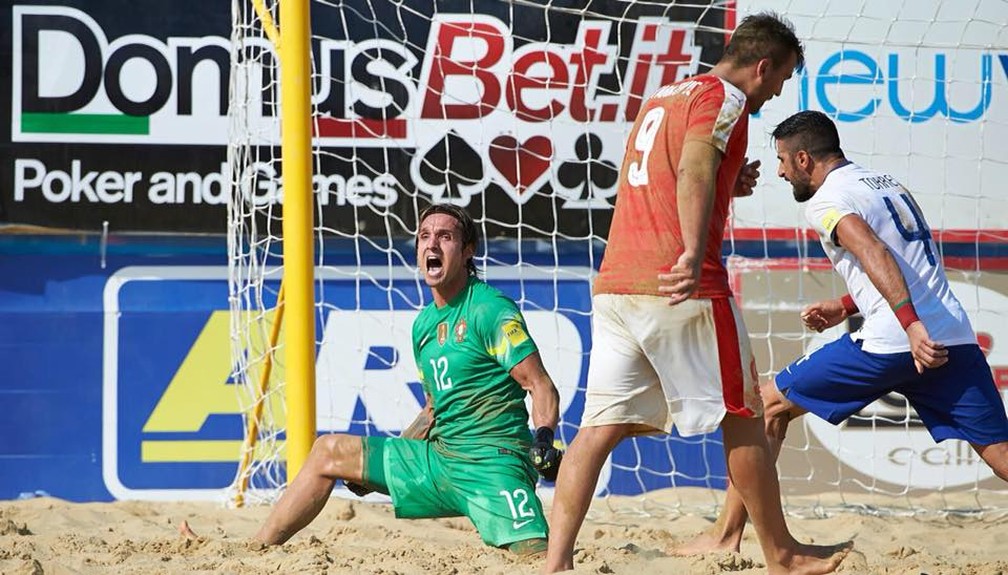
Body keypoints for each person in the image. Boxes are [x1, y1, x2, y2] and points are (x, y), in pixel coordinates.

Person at [544, 12, 850, 575]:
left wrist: (728, 179)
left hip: (615, 285)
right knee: (745, 413)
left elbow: (661, 171)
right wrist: (689, 249)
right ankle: (782, 555)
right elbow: (689, 170)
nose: (776, 92)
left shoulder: (663, 96)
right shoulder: (725, 98)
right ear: (762, 65)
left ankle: (556, 563)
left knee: (596, 430)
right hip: (682, 282)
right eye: (779, 79)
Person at [672, 110, 1008, 556]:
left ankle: (725, 536)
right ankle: (727, 534)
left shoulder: (828, 199)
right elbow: (910, 264)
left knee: (764, 407)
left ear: (805, 159)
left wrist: (908, 326)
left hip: (897, 339)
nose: (779, 170)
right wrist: (846, 304)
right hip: (950, 335)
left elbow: (871, 252)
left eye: (783, 161)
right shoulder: (887, 183)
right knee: (1000, 453)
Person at [192, 204, 565, 555]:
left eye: (445, 237)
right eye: (424, 236)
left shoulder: (489, 309)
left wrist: (544, 437)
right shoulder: (424, 325)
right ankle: (258, 548)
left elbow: (539, 384)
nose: (431, 244)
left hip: (492, 463)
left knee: (534, 556)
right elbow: (435, 408)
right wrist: (374, 474)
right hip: (439, 461)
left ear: (468, 251)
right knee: (328, 452)